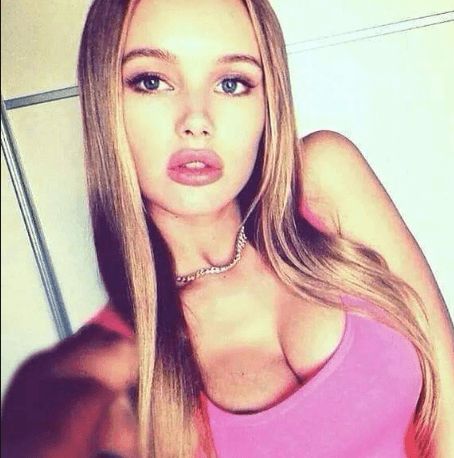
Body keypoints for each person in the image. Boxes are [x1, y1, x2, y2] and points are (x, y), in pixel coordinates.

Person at [2, 0, 454, 456]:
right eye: (152, 81)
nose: (197, 121)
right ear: (105, 102)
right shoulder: (109, 368)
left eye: (232, 83)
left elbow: (448, 392)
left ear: (267, 100)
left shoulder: (325, 180)